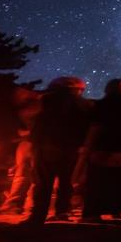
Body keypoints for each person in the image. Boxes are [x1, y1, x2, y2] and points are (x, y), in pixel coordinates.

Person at [25, 77, 92, 224]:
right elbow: (88, 127)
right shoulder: (85, 104)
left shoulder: (45, 100)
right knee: (66, 182)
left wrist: (33, 140)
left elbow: (32, 119)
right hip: (72, 149)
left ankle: (38, 215)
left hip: (47, 147)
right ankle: (62, 212)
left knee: (43, 182)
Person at [81, 79, 121, 222]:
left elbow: (92, 126)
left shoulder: (99, 105)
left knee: (97, 180)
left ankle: (92, 213)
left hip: (100, 147)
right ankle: (116, 210)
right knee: (119, 180)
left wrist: (87, 146)